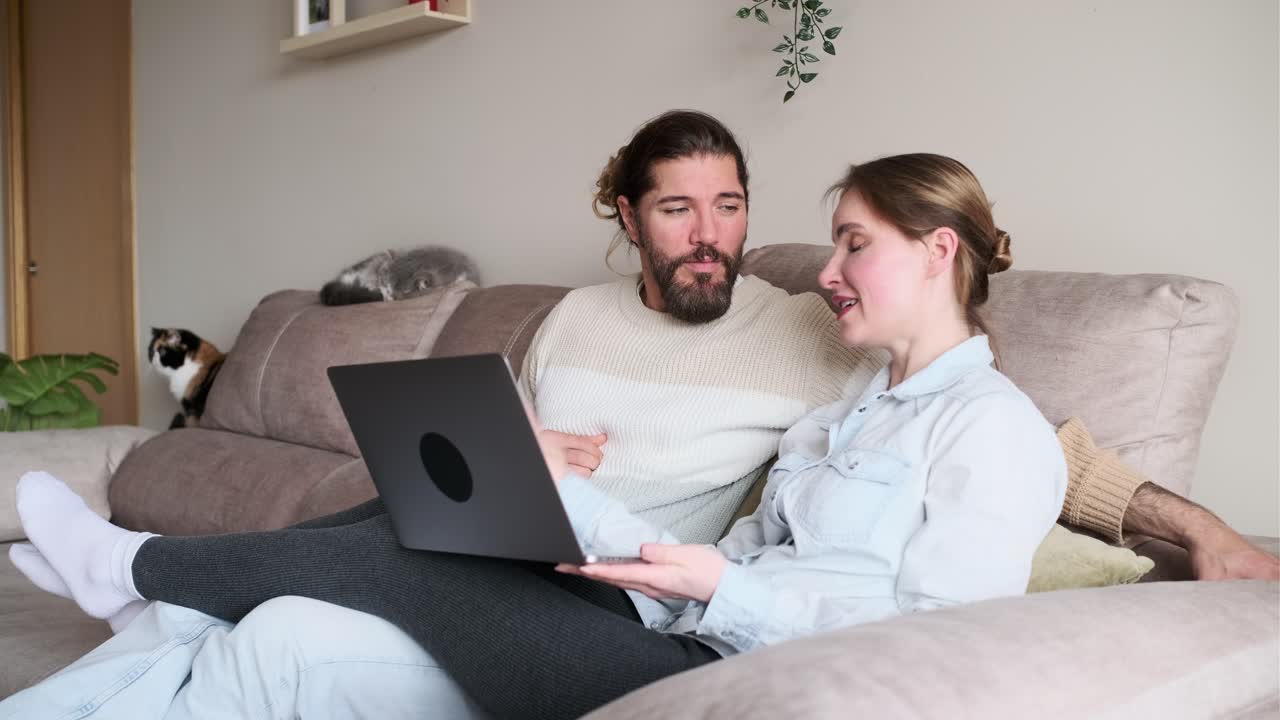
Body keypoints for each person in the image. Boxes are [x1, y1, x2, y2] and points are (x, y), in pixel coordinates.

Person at [5, 113, 1277, 719]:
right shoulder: (842, 399)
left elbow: (1028, 470)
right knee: (398, 522)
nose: (798, 264)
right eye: (680, 208)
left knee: (308, 594)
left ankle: (140, 568)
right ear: (628, 218)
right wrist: (538, 472)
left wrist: (1199, 532)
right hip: (642, 592)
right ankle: (143, 588)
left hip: (703, 633)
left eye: (844, 246)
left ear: (935, 253)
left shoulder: (927, 399)